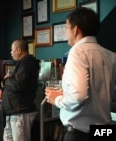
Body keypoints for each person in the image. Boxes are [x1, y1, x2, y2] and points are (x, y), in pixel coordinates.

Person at [45, 7, 116, 141]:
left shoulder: (77, 52)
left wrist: (57, 100)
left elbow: (79, 96)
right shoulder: (111, 55)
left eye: (66, 28)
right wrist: (66, 92)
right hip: (105, 131)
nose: (66, 33)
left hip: (81, 134)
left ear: (76, 29)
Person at [0, 39, 40, 141]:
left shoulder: (27, 63)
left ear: (19, 50)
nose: (11, 52)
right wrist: (3, 88)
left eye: (12, 50)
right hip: (13, 113)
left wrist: (7, 79)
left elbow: (18, 85)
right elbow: (14, 82)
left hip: (21, 113)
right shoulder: (22, 63)